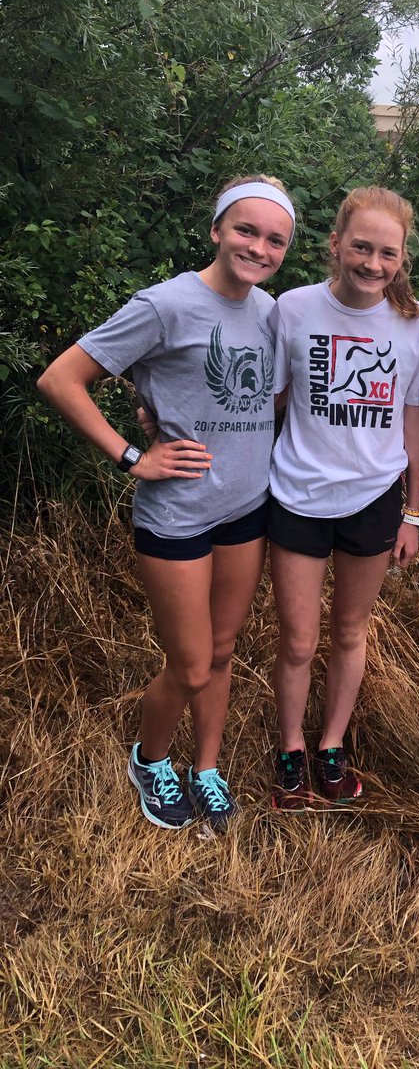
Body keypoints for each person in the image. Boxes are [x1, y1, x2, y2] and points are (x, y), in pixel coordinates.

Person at [37, 175, 295, 832]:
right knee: (187, 663)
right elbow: (61, 379)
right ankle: (150, 759)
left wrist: (167, 407)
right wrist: (132, 454)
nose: (258, 247)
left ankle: (205, 770)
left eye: (274, 239)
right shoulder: (165, 305)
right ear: (216, 230)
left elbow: (263, 400)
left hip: (246, 508)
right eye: (245, 230)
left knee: (222, 652)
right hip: (177, 513)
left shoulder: (270, 313)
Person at [267, 185, 419, 808]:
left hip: (373, 500)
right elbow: (271, 397)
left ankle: (331, 746)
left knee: (350, 631)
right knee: (298, 641)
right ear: (335, 245)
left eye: (387, 253)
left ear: (402, 258)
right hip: (297, 494)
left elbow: (414, 419)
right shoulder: (293, 309)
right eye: (360, 247)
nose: (372, 263)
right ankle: (291, 751)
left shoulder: (413, 324)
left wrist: (413, 511)